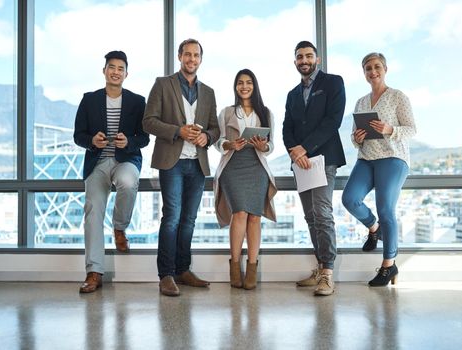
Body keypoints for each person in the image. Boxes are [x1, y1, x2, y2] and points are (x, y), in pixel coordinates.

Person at [143, 38, 220, 297]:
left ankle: (183, 270)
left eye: (196, 55)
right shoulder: (162, 84)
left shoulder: (208, 92)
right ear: (179, 56)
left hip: (197, 163)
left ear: (200, 59)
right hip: (172, 162)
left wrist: (206, 137)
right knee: (172, 217)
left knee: (189, 220)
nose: (191, 59)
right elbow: (148, 122)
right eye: (187, 54)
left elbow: (215, 129)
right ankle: (166, 274)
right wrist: (178, 131)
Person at [73, 50, 150, 293]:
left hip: (125, 160)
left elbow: (145, 138)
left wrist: (128, 141)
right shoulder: (89, 99)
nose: (116, 72)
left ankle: (119, 227)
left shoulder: (137, 102)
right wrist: (91, 141)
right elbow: (78, 136)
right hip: (97, 162)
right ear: (104, 70)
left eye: (120, 69)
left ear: (126, 74)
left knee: (128, 182)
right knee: (93, 210)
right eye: (112, 67)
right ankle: (94, 272)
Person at [342, 52, 416, 287]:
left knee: (386, 208)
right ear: (364, 73)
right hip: (366, 157)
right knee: (350, 199)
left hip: (393, 158)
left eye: (376, 67)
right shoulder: (361, 102)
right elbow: (355, 140)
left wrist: (390, 129)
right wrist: (357, 137)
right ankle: (374, 229)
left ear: (385, 69)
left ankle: (388, 265)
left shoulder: (398, 97)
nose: (372, 72)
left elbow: (412, 129)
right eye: (368, 68)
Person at [282, 40, 346, 296]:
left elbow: (333, 121)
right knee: (310, 217)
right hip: (301, 162)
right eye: (300, 57)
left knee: (322, 213)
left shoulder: (333, 82)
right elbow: (287, 128)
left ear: (317, 59)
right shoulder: (292, 95)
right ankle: (320, 268)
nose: (304, 60)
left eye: (309, 56)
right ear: (295, 61)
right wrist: (294, 151)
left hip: (324, 159)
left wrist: (304, 148)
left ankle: (328, 273)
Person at [213, 69, 277, 290]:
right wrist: (230, 144)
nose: (244, 86)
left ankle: (251, 266)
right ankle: (234, 266)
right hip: (233, 165)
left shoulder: (266, 112)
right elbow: (218, 142)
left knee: (255, 217)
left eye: (249, 82)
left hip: (256, 166)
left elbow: (271, 146)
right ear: (235, 87)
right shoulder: (226, 112)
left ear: (254, 85)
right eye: (240, 83)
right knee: (239, 213)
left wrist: (263, 146)